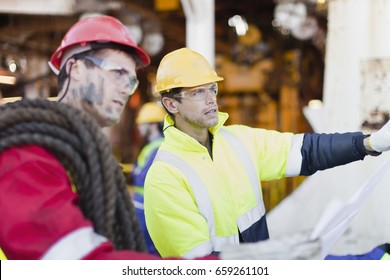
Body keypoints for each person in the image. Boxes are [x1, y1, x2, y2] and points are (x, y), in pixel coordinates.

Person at [144, 47, 390, 259]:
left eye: (212, 89)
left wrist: (370, 143)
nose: (211, 100)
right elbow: (200, 264)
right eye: (198, 92)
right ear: (171, 104)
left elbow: (305, 150)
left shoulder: (238, 141)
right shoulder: (165, 177)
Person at [0, 15, 164, 260]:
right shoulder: (24, 153)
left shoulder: (90, 156)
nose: (125, 88)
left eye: (130, 81)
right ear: (76, 69)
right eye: (117, 72)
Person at [130, 101, 165, 255]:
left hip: (149, 208)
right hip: (142, 207)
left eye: (142, 124)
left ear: (152, 125)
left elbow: (142, 178)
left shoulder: (159, 148)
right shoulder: (150, 146)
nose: (138, 127)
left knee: (150, 253)